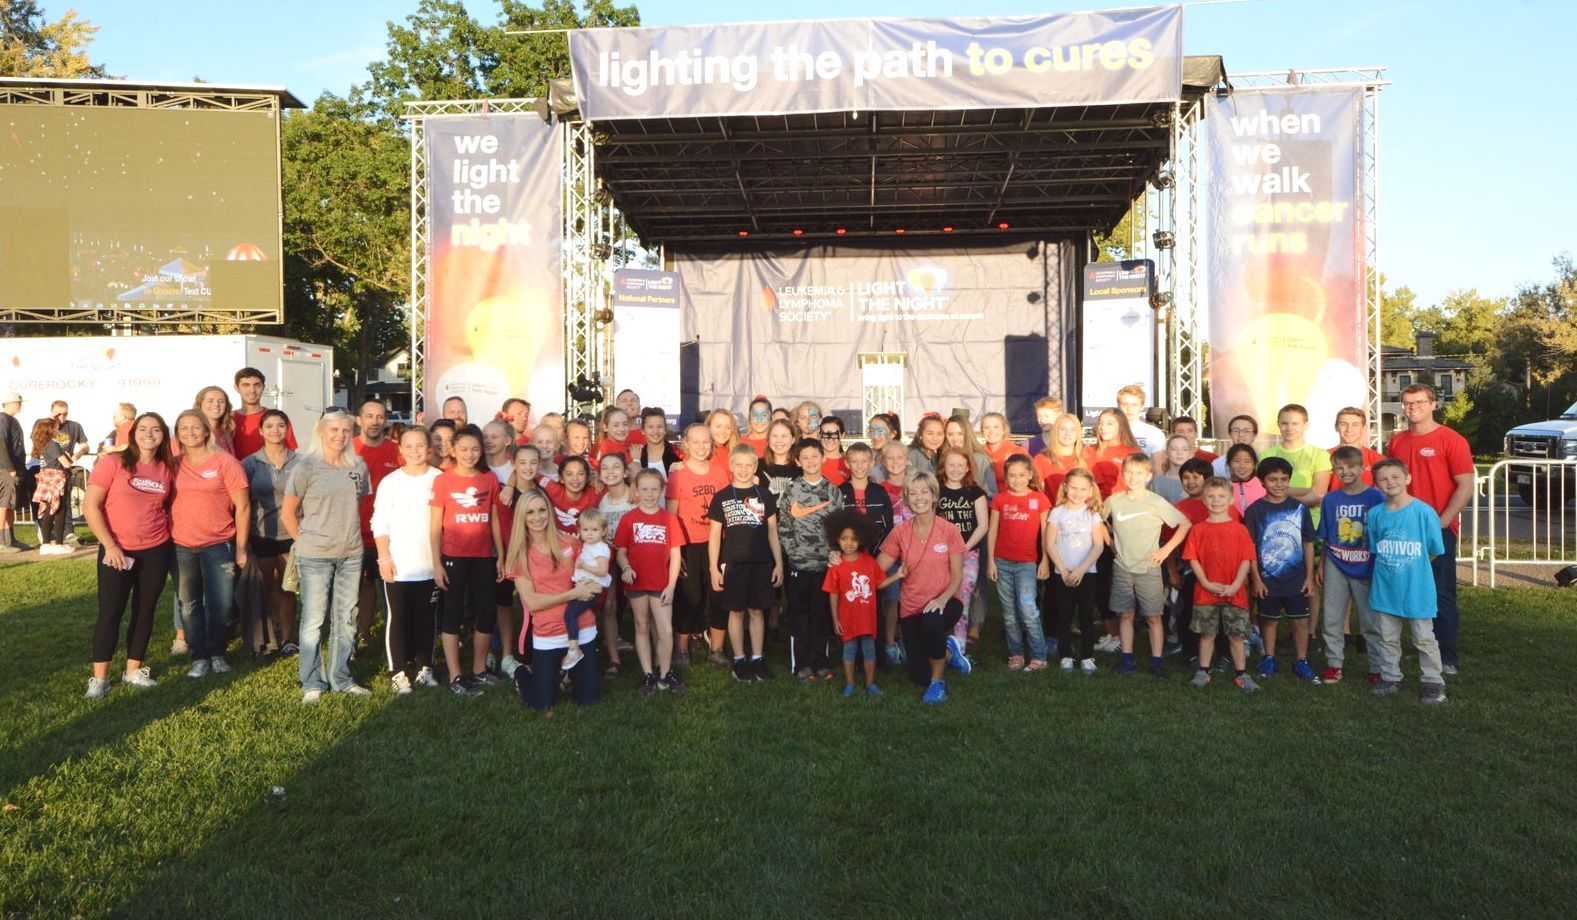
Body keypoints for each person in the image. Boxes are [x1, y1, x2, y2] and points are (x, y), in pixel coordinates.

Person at [82, 412, 175, 698]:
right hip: (116, 550)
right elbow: (90, 506)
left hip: (156, 548)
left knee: (144, 611)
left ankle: (134, 670)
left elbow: (168, 506)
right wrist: (110, 546)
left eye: (156, 429)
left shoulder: (167, 468)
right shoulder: (113, 462)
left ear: (164, 435)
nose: (149, 434)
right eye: (143, 428)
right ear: (133, 433)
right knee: (110, 612)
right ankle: (100, 679)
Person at [282, 410, 372, 703]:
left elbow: (356, 504)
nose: (339, 436)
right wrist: (305, 542)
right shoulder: (306, 467)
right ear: (321, 432)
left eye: (345, 431)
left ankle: (341, 678)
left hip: (351, 553)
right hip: (315, 556)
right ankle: (312, 681)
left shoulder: (358, 465)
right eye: (333, 430)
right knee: (313, 621)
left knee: (346, 618)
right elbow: (288, 513)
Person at [1384, 383, 1474, 675]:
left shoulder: (1451, 439)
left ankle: (1447, 656)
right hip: (1403, 528)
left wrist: (1443, 521)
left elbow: (1465, 484)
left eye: (1419, 402)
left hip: (1437, 527)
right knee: (1409, 590)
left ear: (1434, 404)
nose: (1413, 408)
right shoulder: (1397, 442)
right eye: (1408, 403)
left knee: (1440, 592)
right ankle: (1424, 646)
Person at [170, 409, 250, 677]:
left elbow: (243, 507)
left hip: (218, 543)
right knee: (188, 603)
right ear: (177, 434)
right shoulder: (173, 464)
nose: (190, 433)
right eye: (184, 428)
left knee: (222, 603)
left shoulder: (225, 463)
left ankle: (217, 652)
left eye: (195, 427)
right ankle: (198, 657)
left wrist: (240, 547)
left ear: (206, 430)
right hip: (181, 545)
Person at [876, 472, 968, 703]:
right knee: (918, 677)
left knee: (932, 620)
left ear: (934, 495)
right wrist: (845, 559)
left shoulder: (949, 531)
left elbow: (957, 576)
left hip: (947, 601)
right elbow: (876, 571)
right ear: (906, 498)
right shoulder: (900, 532)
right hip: (911, 608)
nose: (918, 498)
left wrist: (942, 599)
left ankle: (938, 684)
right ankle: (948, 652)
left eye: (924, 492)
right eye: (912, 493)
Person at [507, 489, 602, 711]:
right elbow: (532, 602)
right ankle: (522, 673)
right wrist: (572, 595)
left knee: (587, 700)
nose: (537, 517)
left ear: (550, 512)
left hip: (581, 629)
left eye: (542, 510)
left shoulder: (570, 543)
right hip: (547, 634)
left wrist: (591, 586)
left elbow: (593, 578)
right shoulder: (519, 555)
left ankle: (568, 673)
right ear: (522, 516)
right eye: (530, 512)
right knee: (541, 703)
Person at [429, 424, 505, 696]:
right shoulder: (443, 480)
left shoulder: (490, 479)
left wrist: (500, 555)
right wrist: (437, 563)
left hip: (484, 557)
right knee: (452, 614)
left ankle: (479, 669)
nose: (470, 454)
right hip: (454, 557)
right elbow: (435, 525)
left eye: (475, 449)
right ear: (454, 450)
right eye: (463, 449)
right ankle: (455, 676)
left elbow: (494, 519)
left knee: (486, 613)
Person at [1365, 458, 1448, 703]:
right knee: (1387, 637)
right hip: (1385, 588)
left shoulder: (1423, 512)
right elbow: (1376, 548)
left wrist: (1414, 570)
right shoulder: (1375, 514)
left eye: (1395, 477)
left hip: (1417, 588)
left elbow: (1433, 550)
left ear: (1407, 478)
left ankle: (1433, 682)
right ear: (1377, 484)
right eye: (1383, 479)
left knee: (1423, 637)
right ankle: (1390, 677)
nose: (1390, 482)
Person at [1104, 453, 1190, 678]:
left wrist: (1166, 550)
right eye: (1129, 472)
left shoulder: (1155, 501)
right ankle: (1127, 659)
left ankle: (1156, 661)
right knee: (1126, 615)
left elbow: (1184, 523)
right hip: (1123, 567)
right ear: (1123, 474)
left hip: (1149, 568)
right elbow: (1098, 522)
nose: (1133, 477)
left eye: (1139, 473)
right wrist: (1111, 543)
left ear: (1148, 476)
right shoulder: (1114, 501)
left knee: (1153, 616)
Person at [371, 428, 440, 694]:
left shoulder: (439, 479)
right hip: (400, 563)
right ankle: (398, 671)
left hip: (430, 564)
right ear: (400, 450)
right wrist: (384, 558)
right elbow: (380, 522)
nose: (414, 451)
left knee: (426, 617)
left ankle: (425, 667)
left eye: (420, 445)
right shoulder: (391, 482)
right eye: (408, 446)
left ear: (429, 449)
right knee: (398, 617)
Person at [708, 443, 784, 681]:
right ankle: (740, 659)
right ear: (731, 466)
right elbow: (714, 536)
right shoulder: (722, 497)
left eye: (748, 465)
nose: (743, 469)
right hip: (734, 563)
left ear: (755, 468)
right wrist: (714, 568)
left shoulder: (765, 495)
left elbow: (773, 531)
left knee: (757, 610)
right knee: (736, 611)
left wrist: (778, 563)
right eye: (738, 465)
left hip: (761, 562)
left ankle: (758, 658)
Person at [1180, 477, 1260, 692]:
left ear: (1231, 499)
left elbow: (1246, 559)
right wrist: (1204, 582)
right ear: (1204, 501)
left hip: (1234, 592)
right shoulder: (1198, 530)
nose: (1216, 501)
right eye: (1211, 497)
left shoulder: (1240, 530)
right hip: (1205, 592)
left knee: (1236, 635)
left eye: (1221, 496)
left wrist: (1236, 585)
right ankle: (1203, 671)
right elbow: (1193, 558)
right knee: (1207, 633)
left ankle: (1241, 674)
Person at [1244, 456, 1317, 682]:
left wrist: (1309, 577)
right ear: (1262, 482)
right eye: (1273, 479)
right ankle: (1269, 657)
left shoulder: (1299, 508)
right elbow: (1251, 547)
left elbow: (1307, 542)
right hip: (1267, 578)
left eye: (1284, 479)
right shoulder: (1255, 510)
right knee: (1269, 620)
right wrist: (1256, 578)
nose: (1279, 484)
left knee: (1300, 621)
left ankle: (1302, 660)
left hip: (1296, 577)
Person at [1317, 446, 1385, 685]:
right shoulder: (1331, 499)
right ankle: (1334, 664)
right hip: (1336, 561)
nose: (1345, 472)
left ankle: (1377, 667)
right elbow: (1327, 535)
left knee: (1370, 620)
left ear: (1362, 468)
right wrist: (1322, 565)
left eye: (1350, 467)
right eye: (1339, 468)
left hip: (1366, 563)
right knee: (1332, 616)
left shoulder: (1376, 497)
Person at [779, 436, 845, 680]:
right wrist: (792, 551)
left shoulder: (833, 491)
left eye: (814, 457)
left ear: (823, 458)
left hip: (825, 565)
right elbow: (784, 526)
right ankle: (802, 664)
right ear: (798, 460)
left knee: (821, 613)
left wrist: (836, 552)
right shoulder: (792, 490)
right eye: (804, 458)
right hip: (798, 565)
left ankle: (820, 660)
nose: (810, 461)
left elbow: (841, 528)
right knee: (800, 614)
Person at [615, 468, 686, 694]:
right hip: (636, 582)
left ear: (662, 490)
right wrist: (625, 567)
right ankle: (647, 674)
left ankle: (665, 674)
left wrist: (672, 585)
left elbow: (676, 555)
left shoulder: (669, 519)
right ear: (636, 490)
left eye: (654, 489)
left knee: (665, 629)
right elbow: (620, 552)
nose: (649, 494)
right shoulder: (628, 519)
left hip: (661, 583)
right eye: (644, 489)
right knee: (641, 625)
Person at [666, 423, 730, 667]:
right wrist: (675, 553)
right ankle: (681, 648)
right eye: (696, 442)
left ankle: (717, 649)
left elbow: (726, 511)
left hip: (716, 543)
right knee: (689, 597)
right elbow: (671, 517)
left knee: (718, 595)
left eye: (706, 442)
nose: (701, 447)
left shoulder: (720, 473)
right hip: (688, 544)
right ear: (686, 445)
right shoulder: (678, 474)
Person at [823, 509, 899, 697]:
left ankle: (870, 683)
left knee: (869, 650)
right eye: (844, 538)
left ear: (862, 540)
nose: (848, 543)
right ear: (837, 539)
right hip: (847, 618)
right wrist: (835, 619)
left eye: (853, 539)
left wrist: (898, 575)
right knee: (848, 650)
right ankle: (850, 684)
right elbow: (832, 594)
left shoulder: (869, 562)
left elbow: (880, 583)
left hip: (867, 618)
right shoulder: (836, 566)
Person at [241, 409, 300, 654]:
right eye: (270, 426)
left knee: (288, 587)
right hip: (262, 534)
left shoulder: (300, 461)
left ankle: (288, 639)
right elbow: (242, 501)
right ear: (261, 430)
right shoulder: (250, 463)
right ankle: (266, 637)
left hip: (291, 534)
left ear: (287, 429)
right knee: (264, 587)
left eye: (280, 426)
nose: (275, 431)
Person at [987, 454, 1052, 671]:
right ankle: (1015, 654)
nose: (1016, 480)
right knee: (1008, 611)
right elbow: (993, 531)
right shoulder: (1000, 499)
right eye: (1012, 475)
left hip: (1027, 563)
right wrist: (991, 561)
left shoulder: (1040, 499)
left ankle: (1039, 656)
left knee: (1027, 608)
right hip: (1003, 562)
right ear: (1005, 477)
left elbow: (1046, 533)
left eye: (1022, 475)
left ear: (1030, 475)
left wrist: (1045, 561)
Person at [1046, 467, 1108, 674]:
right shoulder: (1057, 513)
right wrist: (1063, 570)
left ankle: (1087, 656)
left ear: (1091, 491)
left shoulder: (1093, 515)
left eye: (1083, 489)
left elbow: (1098, 545)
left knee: (1086, 616)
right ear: (1065, 488)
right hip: (1061, 574)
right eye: (1073, 488)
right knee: (1064, 616)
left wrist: (1081, 570)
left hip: (1087, 574)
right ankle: (1065, 655)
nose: (1078, 493)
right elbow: (1050, 544)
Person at [353, 399, 401, 652]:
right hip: (353, 533)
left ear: (386, 420)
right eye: (369, 416)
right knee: (361, 584)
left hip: (389, 534)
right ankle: (361, 633)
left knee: (391, 585)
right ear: (358, 420)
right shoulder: (348, 449)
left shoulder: (397, 451)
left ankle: (396, 634)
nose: (374, 421)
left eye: (380, 416)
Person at [935, 447, 986, 654]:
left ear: (967, 469)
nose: (955, 469)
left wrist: (963, 548)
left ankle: (960, 649)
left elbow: (983, 525)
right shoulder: (936, 491)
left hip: (968, 554)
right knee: (940, 597)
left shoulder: (975, 492)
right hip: (941, 555)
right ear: (944, 467)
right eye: (951, 465)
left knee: (962, 601)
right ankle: (940, 645)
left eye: (960, 465)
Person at [596, 452, 635, 674]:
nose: (610, 472)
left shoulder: (634, 494)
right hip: (609, 557)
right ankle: (614, 659)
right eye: (605, 468)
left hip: (634, 557)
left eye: (616, 467)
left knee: (641, 607)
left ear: (626, 472)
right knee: (609, 607)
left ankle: (654, 653)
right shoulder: (600, 498)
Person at [560, 510, 613, 671]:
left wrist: (584, 566)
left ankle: (573, 649)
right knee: (572, 613)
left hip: (592, 588)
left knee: (570, 614)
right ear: (580, 531)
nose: (590, 534)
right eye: (586, 530)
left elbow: (603, 570)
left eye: (594, 530)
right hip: (583, 585)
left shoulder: (601, 548)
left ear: (603, 531)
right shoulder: (587, 545)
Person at [1260, 404, 1332, 516]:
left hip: (1310, 524)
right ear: (1278, 424)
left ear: (1306, 425)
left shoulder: (1320, 455)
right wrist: (1307, 490)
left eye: (1295, 424)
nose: (1289, 428)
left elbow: (1317, 497)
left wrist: (1279, 494)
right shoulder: (1265, 456)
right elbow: (1263, 492)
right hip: (1274, 520)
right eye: (1284, 423)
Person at [29, 418, 73, 554]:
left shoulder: (43, 444)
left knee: (49, 510)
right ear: (50, 430)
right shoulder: (52, 444)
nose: (58, 431)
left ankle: (46, 543)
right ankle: (58, 543)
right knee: (59, 510)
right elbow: (67, 463)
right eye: (55, 428)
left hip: (46, 477)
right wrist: (66, 454)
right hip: (56, 478)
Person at [232, 368, 297, 459]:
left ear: (263, 387)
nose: (252, 390)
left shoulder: (276, 419)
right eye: (246, 385)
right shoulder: (228, 419)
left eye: (257, 385)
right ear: (236, 388)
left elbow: (289, 453)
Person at [1032, 412, 1092, 509]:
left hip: (1082, 517)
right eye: (1063, 429)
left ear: (1078, 433)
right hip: (1052, 517)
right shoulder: (1042, 459)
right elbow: (1036, 494)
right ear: (1055, 432)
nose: (1068, 433)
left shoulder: (1087, 457)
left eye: (1073, 429)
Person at [1089, 409, 1141, 499]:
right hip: (1095, 507)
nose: (1103, 427)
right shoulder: (1089, 451)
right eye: (1100, 423)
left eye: (1109, 424)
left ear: (1121, 426)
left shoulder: (1133, 452)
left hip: (1124, 506)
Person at [943, 415, 997, 497]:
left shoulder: (980, 458)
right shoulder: (943, 458)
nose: (955, 438)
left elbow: (991, 494)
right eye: (950, 434)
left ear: (968, 434)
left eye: (960, 434)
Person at [0, 392, 25, 553]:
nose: (20, 405)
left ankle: (11, 539)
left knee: (10, 504)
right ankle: (2, 542)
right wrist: (10, 468)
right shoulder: (2, 420)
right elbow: (1, 444)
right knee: (3, 504)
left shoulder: (12, 420)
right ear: (8, 403)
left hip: (13, 468)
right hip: (5, 469)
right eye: (18, 402)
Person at [1332, 407, 1384, 485]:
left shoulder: (1377, 460)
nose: (1349, 429)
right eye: (1343, 424)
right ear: (1336, 427)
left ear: (1364, 428)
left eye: (1355, 425)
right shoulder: (1323, 457)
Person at [629, 407, 681, 480]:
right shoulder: (637, 455)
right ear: (643, 430)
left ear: (665, 430)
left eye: (659, 427)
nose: (655, 431)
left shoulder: (678, 453)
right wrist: (636, 462)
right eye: (650, 427)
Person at [978, 411, 1027, 488]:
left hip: (1009, 497)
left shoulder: (1017, 451)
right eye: (986, 427)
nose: (991, 431)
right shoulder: (977, 453)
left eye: (996, 427)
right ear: (982, 431)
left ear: (1004, 429)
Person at [1116, 384, 1167, 455]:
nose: (1129, 409)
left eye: (1134, 405)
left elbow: (1158, 464)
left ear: (1142, 406)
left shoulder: (1155, 434)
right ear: (1118, 406)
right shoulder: (1109, 432)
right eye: (1125, 404)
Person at [759, 419, 801, 498]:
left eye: (784, 436)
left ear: (793, 440)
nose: (779, 440)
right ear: (768, 440)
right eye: (775, 436)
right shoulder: (757, 466)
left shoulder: (801, 469)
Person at [1149, 434, 1194, 504]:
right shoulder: (1156, 483)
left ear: (1190, 455)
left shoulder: (1198, 482)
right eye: (1174, 449)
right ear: (1166, 454)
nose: (1179, 453)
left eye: (1184, 449)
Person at [193, 386, 236, 455]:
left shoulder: (227, 433)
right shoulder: (189, 434)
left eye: (221, 401)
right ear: (200, 405)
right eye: (210, 401)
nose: (216, 404)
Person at [1225, 444, 1265, 517]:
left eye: (1247, 461)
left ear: (1255, 464)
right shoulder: (1224, 487)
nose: (1242, 466)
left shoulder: (1263, 484)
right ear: (1229, 464)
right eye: (1236, 461)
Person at [818, 415, 848, 485]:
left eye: (834, 434)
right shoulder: (812, 461)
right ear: (819, 435)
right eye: (825, 434)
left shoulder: (851, 462)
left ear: (842, 435)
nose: (829, 439)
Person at [866, 414, 895, 481]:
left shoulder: (902, 457)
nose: (875, 436)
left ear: (892, 434)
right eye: (871, 431)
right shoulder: (867, 456)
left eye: (880, 431)